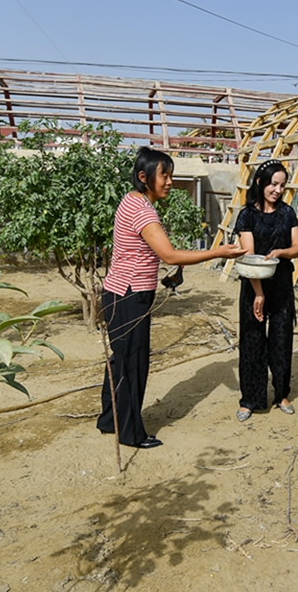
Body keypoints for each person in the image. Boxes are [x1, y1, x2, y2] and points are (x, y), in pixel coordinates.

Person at [98, 147, 246, 448]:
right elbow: (167, 252)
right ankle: (130, 433)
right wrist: (219, 251)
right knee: (133, 363)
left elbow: (156, 251)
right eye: (164, 175)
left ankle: (109, 419)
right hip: (129, 295)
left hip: (117, 292)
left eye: (170, 175)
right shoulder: (142, 209)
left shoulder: (133, 200)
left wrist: (175, 264)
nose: (169, 181)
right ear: (144, 177)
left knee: (120, 361)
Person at [235, 160, 298, 422]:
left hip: (282, 284)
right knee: (252, 340)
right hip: (254, 284)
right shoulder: (247, 215)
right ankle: (250, 398)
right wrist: (259, 294)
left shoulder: (288, 213)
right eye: (273, 184)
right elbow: (249, 256)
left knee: (281, 338)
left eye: (282, 185)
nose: (278, 190)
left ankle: (282, 393)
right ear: (260, 182)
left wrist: (280, 252)